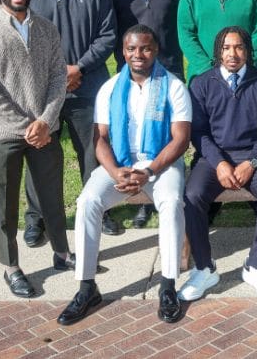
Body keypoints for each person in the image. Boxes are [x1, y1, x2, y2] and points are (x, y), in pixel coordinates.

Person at [57, 24, 191, 325]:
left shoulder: (173, 86)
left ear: (155, 50)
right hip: (119, 164)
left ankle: (168, 286)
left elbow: (181, 139)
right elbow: (99, 139)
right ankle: (87, 287)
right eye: (131, 49)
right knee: (87, 201)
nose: (138, 54)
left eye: (145, 48)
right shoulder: (110, 88)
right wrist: (116, 171)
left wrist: (149, 171)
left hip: (160, 164)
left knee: (171, 201)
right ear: (123, 52)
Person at [0, 0, 75, 298]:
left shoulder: (46, 28)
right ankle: (11, 267)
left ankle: (61, 253)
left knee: (52, 196)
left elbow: (58, 78)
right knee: (6, 204)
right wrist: (27, 126)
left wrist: (45, 121)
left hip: (45, 130)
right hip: (6, 135)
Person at [26, 0, 119, 241]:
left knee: (94, 153)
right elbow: (18, 38)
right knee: (39, 155)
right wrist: (55, 74)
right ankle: (36, 218)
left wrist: (78, 67)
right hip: (41, 93)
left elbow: (108, 36)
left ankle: (100, 210)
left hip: (87, 88)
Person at [179, 26, 257, 301]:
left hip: (254, 156)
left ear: (247, 50)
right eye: (226, 48)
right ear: (218, 51)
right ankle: (204, 268)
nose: (232, 54)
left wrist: (252, 162)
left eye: (238, 47)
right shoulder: (202, 83)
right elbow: (198, 132)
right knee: (192, 196)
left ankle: (256, 266)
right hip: (213, 157)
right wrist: (219, 164)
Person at [107, 0, 185, 229]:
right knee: (136, 133)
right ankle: (141, 198)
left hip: (168, 73)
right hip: (132, 76)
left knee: (167, 135)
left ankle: (167, 190)